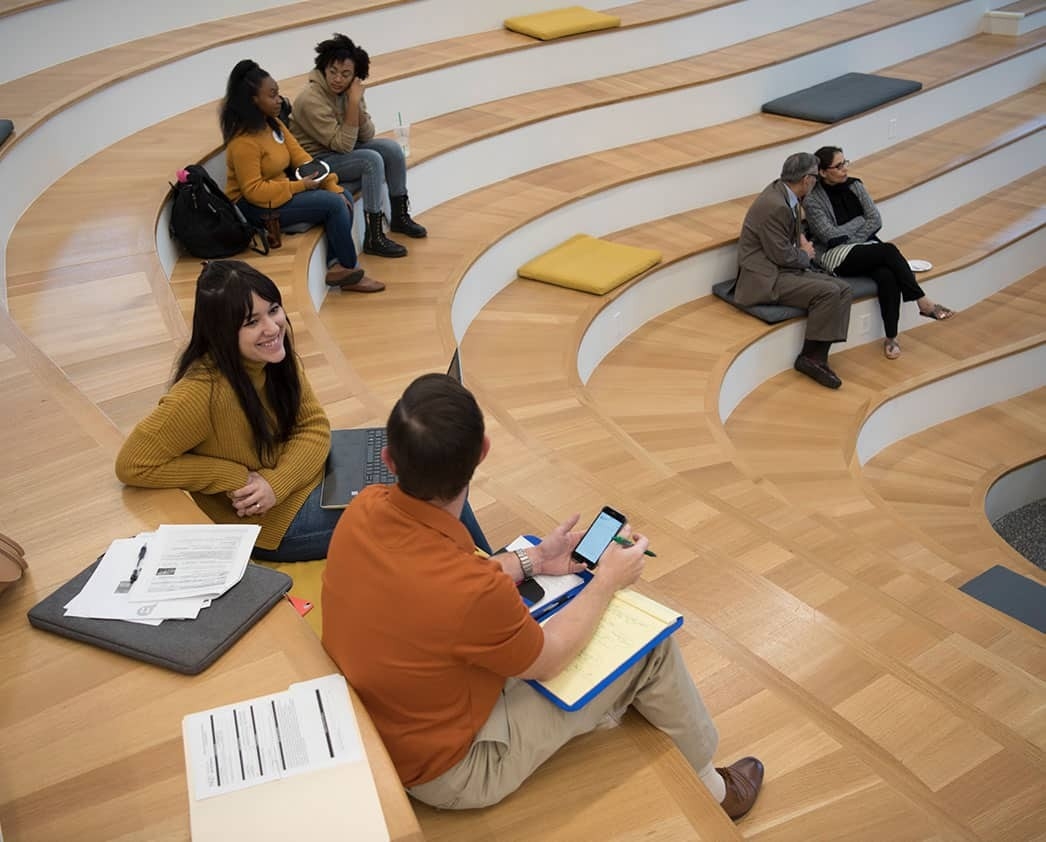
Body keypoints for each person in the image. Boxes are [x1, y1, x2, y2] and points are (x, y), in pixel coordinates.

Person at [322, 373, 765, 818]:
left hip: (382, 726)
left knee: (565, 615)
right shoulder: (474, 591)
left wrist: (535, 558)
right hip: (451, 774)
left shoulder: (363, 509)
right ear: (483, 452)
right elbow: (548, 657)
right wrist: (608, 580)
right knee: (653, 648)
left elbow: (439, 582)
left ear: (388, 459)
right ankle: (715, 792)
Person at [116, 261, 489, 561]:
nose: (272, 327)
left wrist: (275, 481)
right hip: (275, 523)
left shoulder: (276, 359)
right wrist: (231, 476)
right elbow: (134, 464)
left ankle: (491, 569)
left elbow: (314, 427)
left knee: (440, 468)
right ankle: (493, 575)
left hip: (302, 479)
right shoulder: (200, 392)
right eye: (252, 322)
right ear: (221, 333)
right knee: (433, 493)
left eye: (273, 310)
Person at [220, 59, 385, 293]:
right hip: (254, 206)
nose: (279, 100)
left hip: (279, 193)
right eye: (272, 96)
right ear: (253, 100)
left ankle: (337, 266)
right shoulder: (243, 142)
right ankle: (351, 270)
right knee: (334, 205)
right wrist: (300, 187)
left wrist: (330, 184)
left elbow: (303, 159)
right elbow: (253, 191)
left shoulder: (274, 125)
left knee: (343, 195)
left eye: (278, 93)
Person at [805, 146, 955, 359]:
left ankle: (891, 337)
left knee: (887, 274)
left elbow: (875, 220)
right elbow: (829, 236)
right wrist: (859, 222)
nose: (845, 169)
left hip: (863, 247)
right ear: (822, 172)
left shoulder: (856, 186)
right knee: (889, 250)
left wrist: (852, 237)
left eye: (845, 163)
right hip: (833, 254)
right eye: (838, 166)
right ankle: (922, 301)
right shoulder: (812, 199)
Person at [290, 33, 427, 259]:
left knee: (392, 150)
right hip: (316, 161)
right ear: (323, 68)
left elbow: (367, 134)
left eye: (345, 74)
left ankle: (400, 216)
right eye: (332, 71)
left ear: (355, 76)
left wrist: (355, 103)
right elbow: (343, 145)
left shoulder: (349, 90)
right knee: (371, 161)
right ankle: (374, 236)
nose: (337, 79)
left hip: (338, 151)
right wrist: (353, 103)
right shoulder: (310, 99)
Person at [736, 152, 853, 389]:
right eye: (815, 178)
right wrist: (805, 255)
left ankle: (818, 355)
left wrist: (800, 239)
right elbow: (781, 255)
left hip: (781, 267)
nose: (816, 182)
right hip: (766, 276)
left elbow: (786, 231)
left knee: (844, 288)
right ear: (807, 179)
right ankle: (809, 358)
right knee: (829, 291)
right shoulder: (775, 205)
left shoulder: (783, 192)